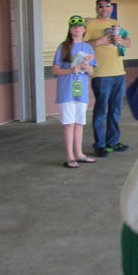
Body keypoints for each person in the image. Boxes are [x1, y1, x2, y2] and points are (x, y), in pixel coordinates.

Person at [84, 0, 131, 157]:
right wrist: (100, 41)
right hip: (101, 74)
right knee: (101, 111)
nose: (104, 9)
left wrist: (121, 41)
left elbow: (128, 42)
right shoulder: (90, 25)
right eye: (100, 6)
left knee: (116, 110)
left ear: (111, 8)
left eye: (107, 6)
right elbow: (80, 47)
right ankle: (100, 145)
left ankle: (113, 142)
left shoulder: (116, 23)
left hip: (119, 73)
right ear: (96, 8)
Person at [51, 15, 97, 168]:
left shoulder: (88, 48)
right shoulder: (63, 47)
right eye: (73, 26)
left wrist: (87, 68)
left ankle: (79, 154)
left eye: (80, 26)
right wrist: (70, 70)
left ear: (84, 29)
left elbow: (92, 72)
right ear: (70, 30)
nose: (77, 29)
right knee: (69, 123)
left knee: (79, 123)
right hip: (66, 90)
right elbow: (55, 69)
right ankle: (70, 156)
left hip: (81, 90)